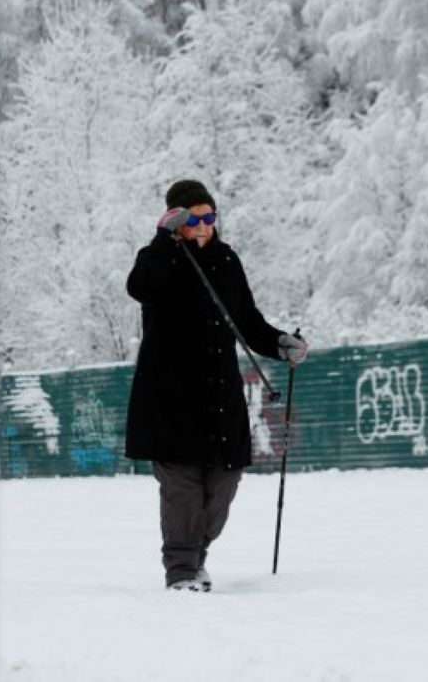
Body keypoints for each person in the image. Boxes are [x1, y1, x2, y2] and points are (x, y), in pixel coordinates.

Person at [124, 179, 309, 592]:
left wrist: (280, 344)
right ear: (176, 219)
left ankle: (195, 559)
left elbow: (247, 319)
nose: (205, 225)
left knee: (223, 485)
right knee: (182, 489)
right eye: (194, 218)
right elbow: (139, 286)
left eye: (210, 217)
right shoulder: (159, 259)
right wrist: (163, 239)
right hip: (170, 395)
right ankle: (182, 573)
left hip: (218, 393)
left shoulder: (226, 260)